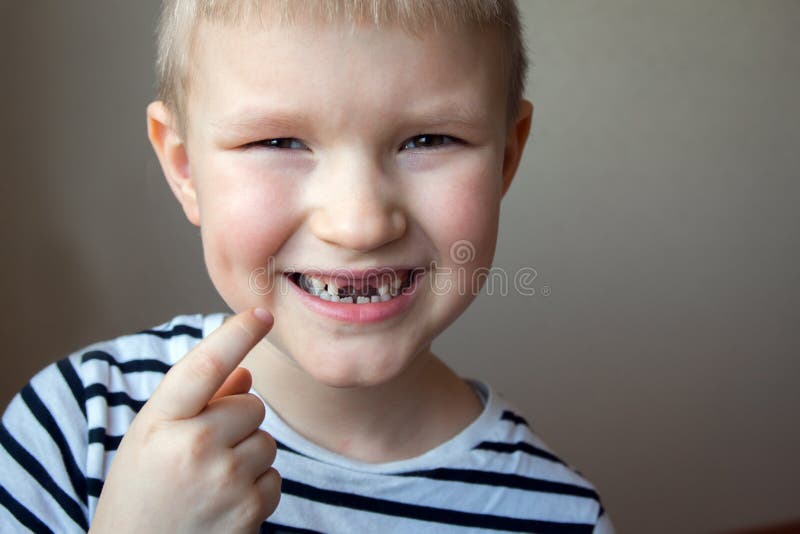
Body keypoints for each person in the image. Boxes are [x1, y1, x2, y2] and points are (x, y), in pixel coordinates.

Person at [0, 1, 614, 532]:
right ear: (185, 168)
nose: (359, 223)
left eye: (429, 140)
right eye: (279, 142)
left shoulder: (562, 516)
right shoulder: (74, 428)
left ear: (506, 158)